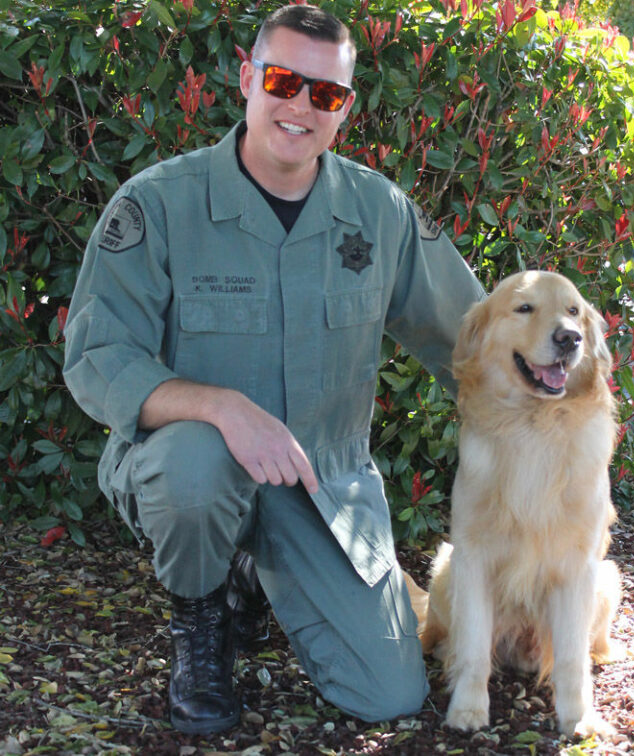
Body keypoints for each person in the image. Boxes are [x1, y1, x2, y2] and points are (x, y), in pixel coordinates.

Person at [63, 4, 484, 736]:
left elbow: (469, 336)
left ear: (345, 108)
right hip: (186, 466)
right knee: (197, 462)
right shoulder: (160, 204)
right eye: (284, 81)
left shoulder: (379, 212)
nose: (300, 106)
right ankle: (201, 624)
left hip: (320, 484)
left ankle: (257, 574)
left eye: (326, 93)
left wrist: (550, 413)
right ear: (246, 78)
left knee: (389, 696)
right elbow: (99, 357)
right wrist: (222, 407)